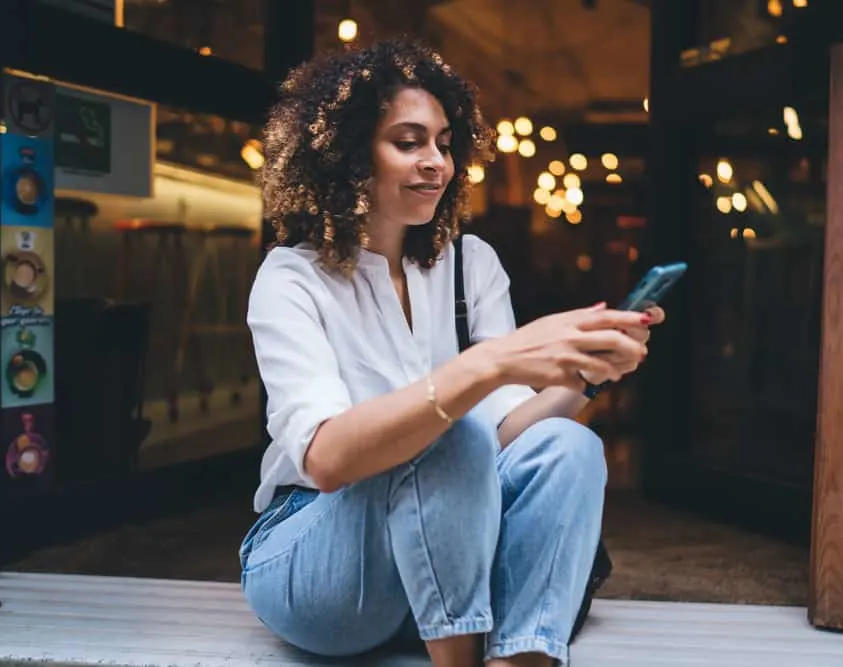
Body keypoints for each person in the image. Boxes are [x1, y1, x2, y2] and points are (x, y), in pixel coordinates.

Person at [240, 38, 664, 667]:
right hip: (320, 555)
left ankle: (521, 658)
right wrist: (482, 369)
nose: (436, 161)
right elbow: (326, 460)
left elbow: (508, 432)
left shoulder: (471, 265)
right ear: (348, 153)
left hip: (442, 555)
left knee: (571, 446)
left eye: (443, 143)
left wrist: (587, 373)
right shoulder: (290, 278)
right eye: (408, 142)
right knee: (448, 430)